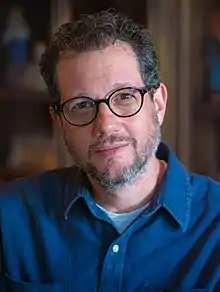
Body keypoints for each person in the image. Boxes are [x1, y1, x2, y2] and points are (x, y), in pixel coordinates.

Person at [0, 10, 219, 292]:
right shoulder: (10, 218)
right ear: (59, 122)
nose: (105, 125)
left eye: (125, 97)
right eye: (81, 105)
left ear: (158, 104)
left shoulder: (215, 226)